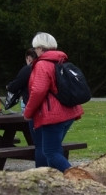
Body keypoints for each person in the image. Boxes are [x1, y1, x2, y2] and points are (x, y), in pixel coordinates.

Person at [23, 33, 83, 171]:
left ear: (39, 48)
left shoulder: (42, 64)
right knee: (54, 150)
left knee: (50, 152)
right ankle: (54, 179)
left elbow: (38, 91)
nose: (35, 51)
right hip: (69, 112)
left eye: (35, 48)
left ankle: (77, 178)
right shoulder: (61, 61)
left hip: (53, 115)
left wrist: (28, 112)